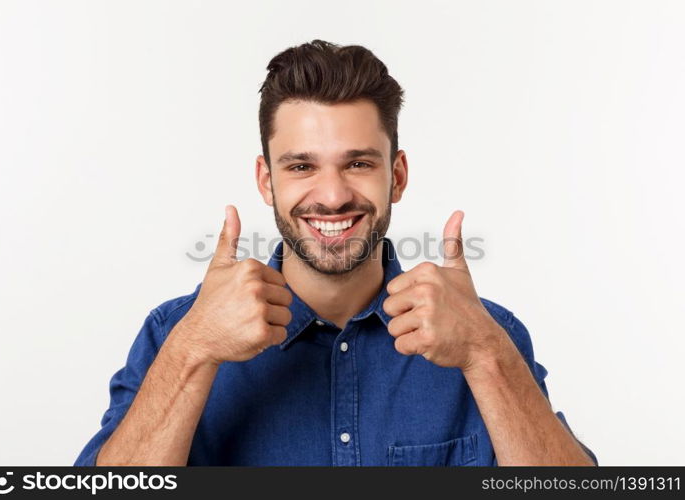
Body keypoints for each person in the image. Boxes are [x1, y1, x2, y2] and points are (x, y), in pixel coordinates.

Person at [74, 39, 597, 466]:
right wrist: (193, 351)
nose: (331, 195)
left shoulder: (485, 333)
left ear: (397, 176)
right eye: (301, 166)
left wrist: (487, 355)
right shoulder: (175, 332)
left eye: (358, 164)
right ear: (266, 180)